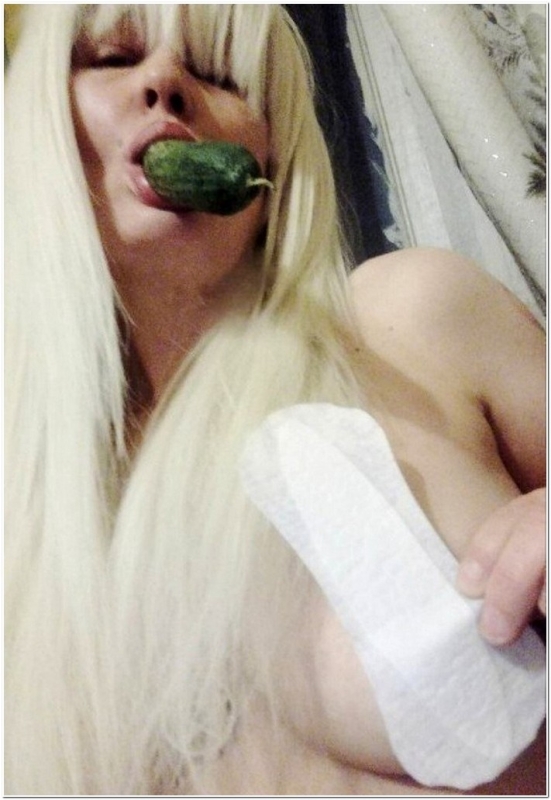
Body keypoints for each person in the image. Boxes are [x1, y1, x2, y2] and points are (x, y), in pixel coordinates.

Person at [5, 4, 546, 795]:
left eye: (220, 75)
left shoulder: (410, 320)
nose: (165, 83)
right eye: (114, 57)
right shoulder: (22, 531)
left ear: (272, 157)